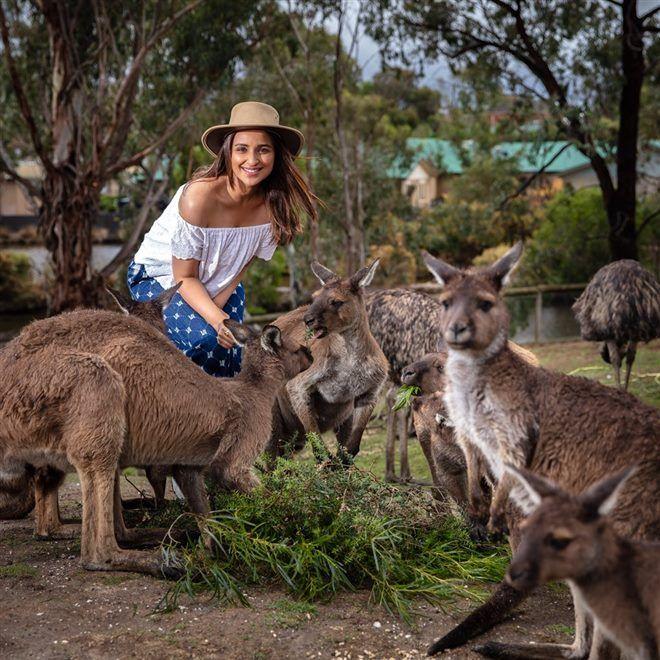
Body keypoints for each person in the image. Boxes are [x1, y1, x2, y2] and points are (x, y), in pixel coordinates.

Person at [127, 101, 317, 377]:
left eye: (263, 150)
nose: (252, 160)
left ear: (277, 156)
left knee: (233, 352)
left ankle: (226, 419)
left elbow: (241, 266)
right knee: (203, 342)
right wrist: (217, 321)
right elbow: (186, 277)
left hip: (222, 282)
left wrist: (220, 316)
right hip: (164, 278)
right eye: (242, 149)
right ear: (228, 152)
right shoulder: (198, 198)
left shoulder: (273, 207)